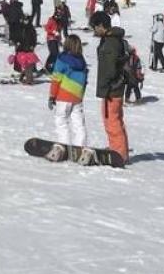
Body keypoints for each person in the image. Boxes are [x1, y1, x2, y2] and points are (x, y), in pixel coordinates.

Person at [90, 12, 129, 164]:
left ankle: (119, 154)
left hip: (112, 89)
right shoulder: (111, 39)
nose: (94, 30)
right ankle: (118, 150)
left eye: (95, 27)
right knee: (115, 120)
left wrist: (105, 86)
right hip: (114, 87)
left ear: (101, 25)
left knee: (112, 122)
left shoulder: (110, 42)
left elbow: (109, 68)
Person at [47, 35, 92, 163]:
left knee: (61, 120)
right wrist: (81, 95)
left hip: (63, 95)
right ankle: (80, 147)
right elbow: (85, 81)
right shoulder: (82, 61)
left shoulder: (62, 59)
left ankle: (63, 146)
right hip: (77, 97)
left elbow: (56, 79)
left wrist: (52, 96)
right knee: (78, 123)